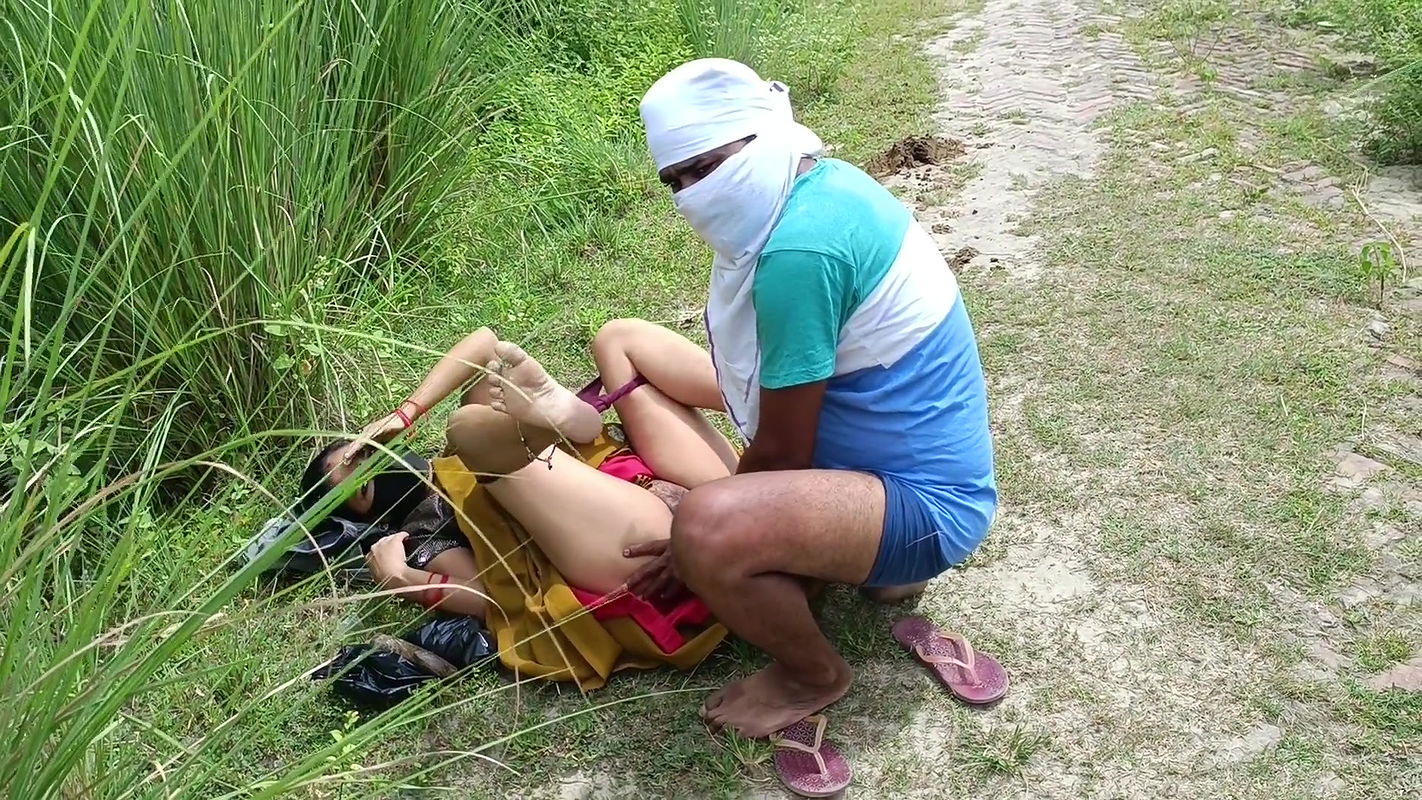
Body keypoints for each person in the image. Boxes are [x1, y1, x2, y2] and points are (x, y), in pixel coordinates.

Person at [619, 59, 997, 737]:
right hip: (912, 474)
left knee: (706, 527)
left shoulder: (800, 252)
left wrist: (697, 544)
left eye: (705, 167)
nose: (693, 195)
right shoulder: (819, 185)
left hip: (929, 504)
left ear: (756, 135)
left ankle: (811, 674)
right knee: (721, 513)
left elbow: (784, 448)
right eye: (675, 181)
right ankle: (876, 569)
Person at [298, 320, 741, 619]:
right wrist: (401, 577)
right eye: (361, 488)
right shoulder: (425, 531)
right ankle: (563, 420)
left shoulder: (453, 454)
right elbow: (489, 598)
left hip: (680, 487)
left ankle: (766, 398)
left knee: (618, 338)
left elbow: (485, 341)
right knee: (471, 425)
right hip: (637, 547)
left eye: (361, 456)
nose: (373, 468)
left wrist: (407, 413)